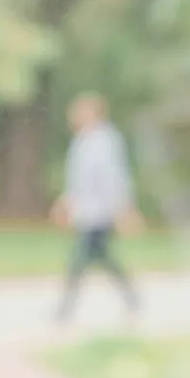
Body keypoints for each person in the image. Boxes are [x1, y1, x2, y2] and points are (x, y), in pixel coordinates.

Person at [51, 92, 142, 322]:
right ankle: (132, 299)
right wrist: (65, 202)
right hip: (86, 212)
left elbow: (114, 178)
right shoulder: (82, 141)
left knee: (80, 259)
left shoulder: (105, 141)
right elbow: (78, 181)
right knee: (104, 258)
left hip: (100, 212)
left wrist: (122, 209)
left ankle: (66, 308)